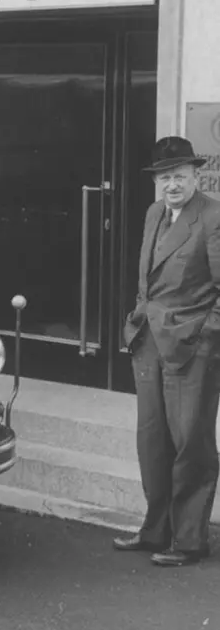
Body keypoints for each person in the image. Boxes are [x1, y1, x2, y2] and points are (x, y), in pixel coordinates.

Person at [115, 136, 220, 567]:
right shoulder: (154, 213)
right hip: (150, 341)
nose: (171, 184)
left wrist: (206, 335)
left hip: (192, 345)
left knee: (190, 440)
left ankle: (190, 540)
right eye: (164, 177)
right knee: (152, 438)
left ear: (196, 175)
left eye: (179, 176)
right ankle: (155, 530)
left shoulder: (213, 218)